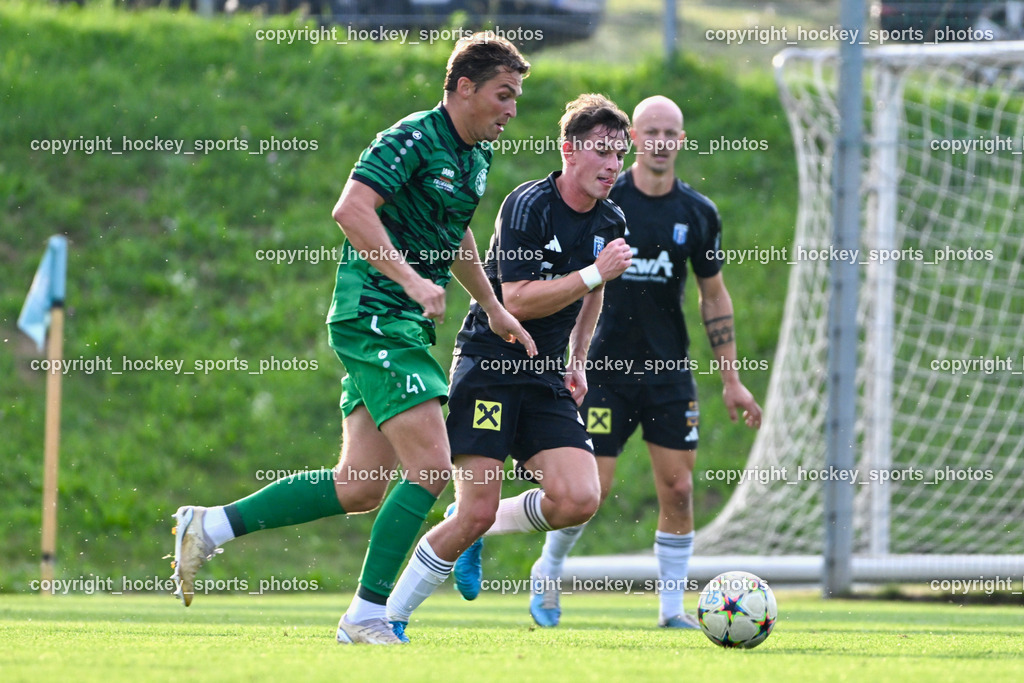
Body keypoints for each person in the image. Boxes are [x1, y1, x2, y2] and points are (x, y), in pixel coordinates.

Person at [168, 33, 535, 646]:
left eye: (517, 98)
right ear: (464, 88)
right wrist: (414, 281)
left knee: (361, 484)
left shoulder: (475, 155)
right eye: (504, 94)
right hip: (374, 314)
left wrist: (491, 306)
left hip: (403, 321)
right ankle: (366, 615)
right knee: (430, 470)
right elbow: (351, 209)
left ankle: (210, 526)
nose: (512, 110)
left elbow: (458, 232)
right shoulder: (413, 136)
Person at [384, 94, 634, 640]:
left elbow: (594, 294)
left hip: (545, 374)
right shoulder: (528, 206)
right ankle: (387, 618)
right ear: (568, 150)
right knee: (472, 510)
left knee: (579, 499)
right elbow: (516, 299)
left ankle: (480, 527)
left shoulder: (612, 217)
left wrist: (578, 359)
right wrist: (594, 273)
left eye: (621, 154)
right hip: (491, 366)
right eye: (603, 151)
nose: (614, 165)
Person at [521, 95, 763, 629]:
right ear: (634, 138)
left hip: (668, 372)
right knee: (595, 489)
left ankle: (672, 610)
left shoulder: (697, 214)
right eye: (650, 130)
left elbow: (714, 296)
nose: (660, 141)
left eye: (670, 132)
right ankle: (548, 570)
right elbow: (570, 278)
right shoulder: (605, 200)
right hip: (604, 371)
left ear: (681, 140)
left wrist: (732, 380)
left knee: (677, 487)